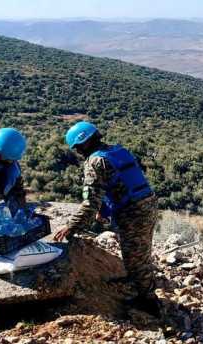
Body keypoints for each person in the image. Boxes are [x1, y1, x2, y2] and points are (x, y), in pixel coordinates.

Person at [53, 121, 161, 315]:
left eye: (77, 148)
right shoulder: (115, 150)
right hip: (147, 203)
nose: (78, 152)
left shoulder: (95, 162)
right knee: (135, 250)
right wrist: (105, 210)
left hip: (133, 212)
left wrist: (71, 226)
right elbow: (118, 183)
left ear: (82, 144)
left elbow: (89, 204)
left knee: (137, 257)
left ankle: (149, 303)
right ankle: (134, 279)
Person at [0, 128, 27, 215]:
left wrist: (21, 213)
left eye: (11, 160)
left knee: (12, 173)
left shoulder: (5, 144)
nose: (10, 162)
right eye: (7, 159)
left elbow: (17, 189)